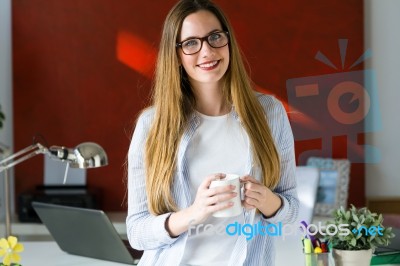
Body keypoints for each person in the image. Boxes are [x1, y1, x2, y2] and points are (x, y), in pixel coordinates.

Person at [126, 0, 299, 265]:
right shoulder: (153, 125)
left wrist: (267, 201)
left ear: (228, 41)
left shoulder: (270, 114)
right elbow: (137, 233)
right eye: (191, 43)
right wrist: (195, 212)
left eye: (215, 37)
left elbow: (291, 211)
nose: (207, 51)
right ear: (177, 54)